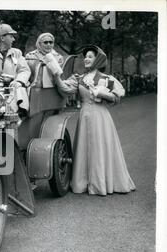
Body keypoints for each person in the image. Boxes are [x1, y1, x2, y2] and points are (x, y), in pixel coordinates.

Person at [47, 45, 135, 195]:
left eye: (90, 56)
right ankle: (84, 182)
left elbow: (116, 98)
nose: (86, 59)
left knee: (100, 146)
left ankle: (101, 183)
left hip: (101, 116)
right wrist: (56, 76)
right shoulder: (79, 78)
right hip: (85, 115)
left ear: (98, 59)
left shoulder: (106, 78)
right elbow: (65, 89)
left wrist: (103, 94)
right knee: (84, 147)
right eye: (85, 57)